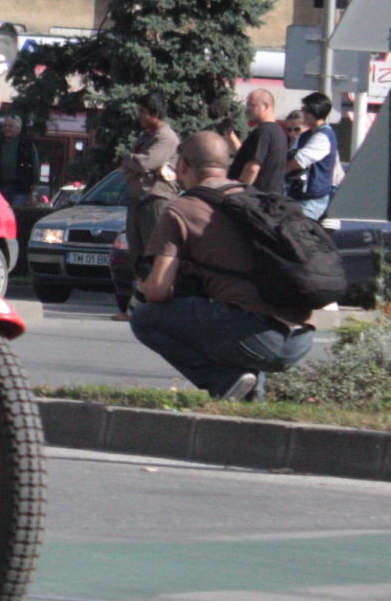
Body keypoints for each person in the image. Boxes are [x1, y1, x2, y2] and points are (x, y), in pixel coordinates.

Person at [131, 130, 319, 400]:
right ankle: (250, 401)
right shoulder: (256, 200)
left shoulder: (182, 208)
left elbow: (158, 291)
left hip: (256, 336)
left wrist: (144, 285)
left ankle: (225, 381)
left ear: (182, 164)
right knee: (236, 306)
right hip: (300, 337)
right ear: (227, 165)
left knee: (145, 317)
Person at [117, 96, 180, 318]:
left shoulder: (166, 137)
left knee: (153, 255)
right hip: (138, 200)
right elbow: (130, 165)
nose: (140, 116)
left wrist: (132, 160)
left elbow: (147, 162)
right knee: (137, 256)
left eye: (143, 112)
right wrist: (132, 161)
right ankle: (135, 308)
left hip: (155, 200)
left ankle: (156, 308)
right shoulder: (146, 136)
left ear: (155, 113)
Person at [286, 93, 339, 222]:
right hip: (297, 195)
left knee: (296, 231)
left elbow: (299, 161)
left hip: (311, 200)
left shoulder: (323, 136)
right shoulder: (306, 135)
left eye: (305, 110)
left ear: (314, 111)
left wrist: (278, 171)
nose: (303, 114)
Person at [231, 88, 290, 195]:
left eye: (252, 105)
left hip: (255, 198)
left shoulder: (263, 132)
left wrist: (238, 192)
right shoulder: (278, 132)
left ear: (266, 106)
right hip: (270, 198)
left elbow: (252, 168)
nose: (247, 109)